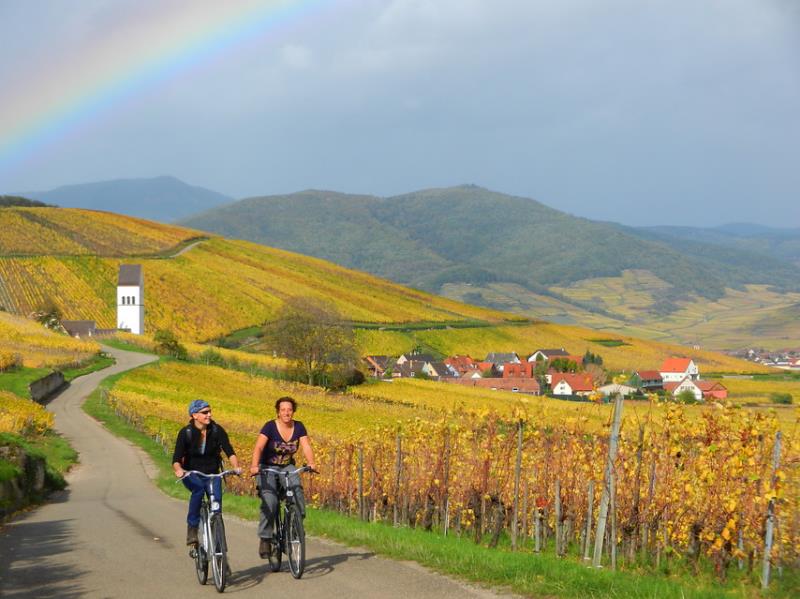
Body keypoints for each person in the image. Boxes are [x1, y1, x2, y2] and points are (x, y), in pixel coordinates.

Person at [249, 396, 316, 559]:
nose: (287, 412)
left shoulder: (299, 427)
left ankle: (296, 526)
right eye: (283, 410)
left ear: (293, 411)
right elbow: (259, 447)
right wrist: (254, 465)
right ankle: (265, 538)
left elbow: (306, 445)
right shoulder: (270, 427)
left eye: (289, 409)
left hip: (287, 466)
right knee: (270, 502)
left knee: (297, 491)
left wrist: (311, 462)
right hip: (267, 467)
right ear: (278, 412)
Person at [173, 399, 241, 546]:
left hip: (212, 474)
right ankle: (192, 528)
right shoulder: (186, 433)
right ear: (194, 415)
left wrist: (236, 466)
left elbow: (229, 451)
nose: (209, 415)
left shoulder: (217, 430)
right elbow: (176, 459)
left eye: (209, 412)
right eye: (205, 412)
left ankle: (219, 552)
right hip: (191, 474)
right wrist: (179, 470)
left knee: (216, 503)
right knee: (198, 490)